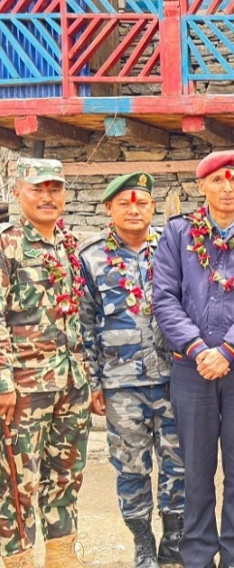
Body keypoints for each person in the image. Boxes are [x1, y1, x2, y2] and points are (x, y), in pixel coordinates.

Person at [153, 151, 234, 568]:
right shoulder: (178, 234)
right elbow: (164, 298)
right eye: (218, 180)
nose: (227, 188)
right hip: (191, 369)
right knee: (196, 469)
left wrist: (228, 350)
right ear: (202, 186)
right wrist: (197, 349)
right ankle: (197, 556)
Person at [79, 173, 185, 568]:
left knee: (179, 463)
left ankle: (173, 542)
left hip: (174, 379)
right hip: (121, 383)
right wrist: (93, 382)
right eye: (125, 203)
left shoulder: (174, 249)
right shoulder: (91, 257)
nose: (134, 210)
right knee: (130, 466)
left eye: (141, 202)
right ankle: (143, 543)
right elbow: (85, 323)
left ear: (152, 207)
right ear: (110, 208)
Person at [0, 158, 90, 568]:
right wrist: (3, 382)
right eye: (38, 189)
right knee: (18, 482)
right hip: (24, 389)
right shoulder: (8, 245)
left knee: (66, 475)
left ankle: (61, 557)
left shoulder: (69, 245)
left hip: (71, 384)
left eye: (55, 188)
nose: (47, 197)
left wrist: (89, 377)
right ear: (18, 191)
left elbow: (79, 317)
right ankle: (18, 559)